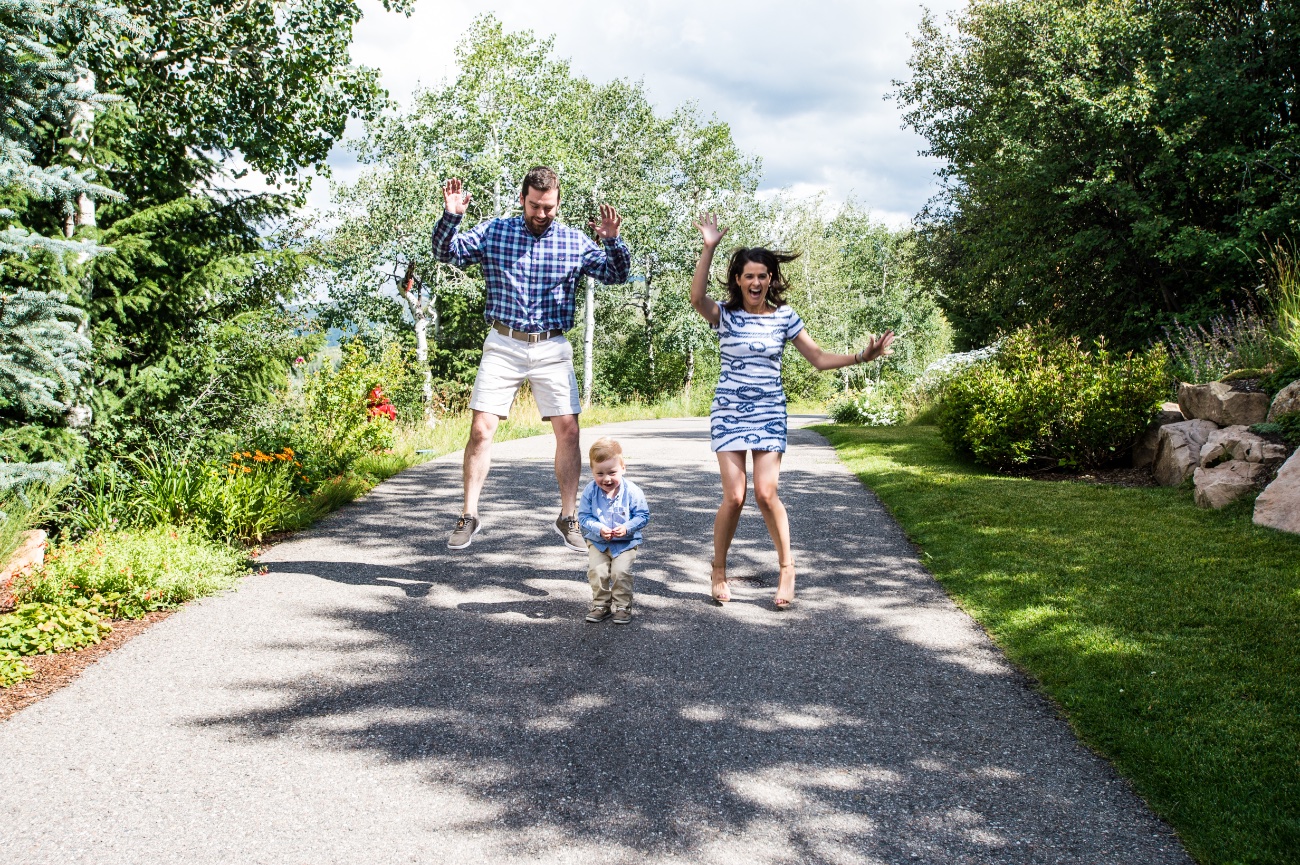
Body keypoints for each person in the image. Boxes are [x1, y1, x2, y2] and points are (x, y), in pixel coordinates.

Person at [688, 213, 895, 609]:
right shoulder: (726, 317)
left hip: (768, 411)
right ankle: (718, 570)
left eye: (762, 276)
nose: (755, 282)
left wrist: (861, 357)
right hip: (730, 411)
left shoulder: (784, 317)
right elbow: (696, 298)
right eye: (749, 276)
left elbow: (817, 358)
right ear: (738, 280)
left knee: (766, 493)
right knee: (734, 496)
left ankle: (786, 569)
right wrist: (709, 247)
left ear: (770, 279)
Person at [432, 167, 631, 551]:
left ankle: (568, 515)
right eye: (536, 206)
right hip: (504, 342)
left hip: (552, 346)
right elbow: (447, 252)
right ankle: (469, 514)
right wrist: (451, 216)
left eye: (549, 207)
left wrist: (612, 241)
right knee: (480, 429)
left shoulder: (573, 242)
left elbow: (617, 275)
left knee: (569, 430)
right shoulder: (495, 232)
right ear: (523, 198)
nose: (542, 214)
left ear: (558, 203)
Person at [576, 437, 650, 624]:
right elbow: (583, 517)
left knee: (621, 572)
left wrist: (626, 527)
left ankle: (623, 606)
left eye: (612, 472)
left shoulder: (632, 491)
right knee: (597, 571)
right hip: (598, 541)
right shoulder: (590, 491)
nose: (606, 478)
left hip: (625, 542)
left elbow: (642, 515)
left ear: (623, 468)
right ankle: (601, 605)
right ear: (592, 471)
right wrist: (599, 528)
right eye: (599, 473)